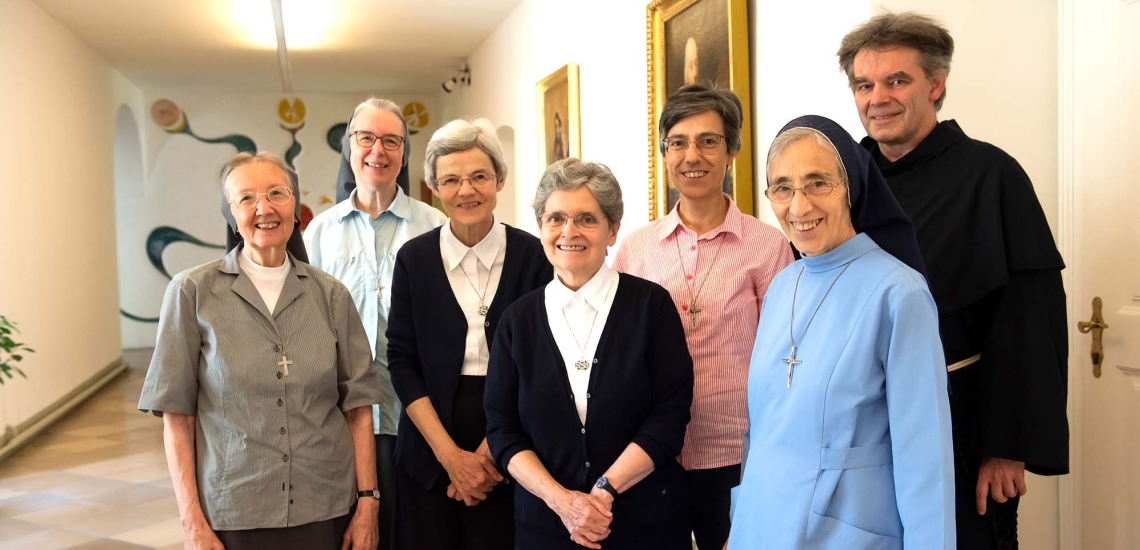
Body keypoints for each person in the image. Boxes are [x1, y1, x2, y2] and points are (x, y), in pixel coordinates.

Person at [838, 12, 1069, 548]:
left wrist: (1007, 445)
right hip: (862, 426)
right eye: (864, 84)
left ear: (936, 84)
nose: (879, 98)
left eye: (898, 80)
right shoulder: (839, 181)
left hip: (960, 418)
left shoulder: (992, 175)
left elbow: (1030, 321)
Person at [728, 116, 954, 549]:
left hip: (844, 531)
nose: (798, 207)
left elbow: (925, 459)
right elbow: (762, 431)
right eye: (782, 188)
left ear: (850, 186)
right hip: (760, 528)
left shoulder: (898, 293)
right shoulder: (781, 286)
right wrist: (740, 522)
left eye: (817, 183)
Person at [138, 152, 381, 550]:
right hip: (235, 507)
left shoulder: (332, 295)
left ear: (296, 206)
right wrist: (192, 523)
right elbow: (176, 418)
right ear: (231, 214)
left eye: (276, 193)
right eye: (246, 198)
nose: (263, 208)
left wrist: (368, 506)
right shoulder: (191, 293)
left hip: (325, 504)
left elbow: (358, 408)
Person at [613, 84, 792, 550]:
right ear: (664, 153)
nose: (692, 155)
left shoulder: (767, 245)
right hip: (652, 452)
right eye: (678, 142)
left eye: (708, 141)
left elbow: (786, 353)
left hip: (737, 453)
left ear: (731, 151)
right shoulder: (636, 247)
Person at [485, 158, 694, 550]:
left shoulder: (652, 307)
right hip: (545, 530)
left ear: (613, 229)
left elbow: (670, 415)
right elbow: (502, 429)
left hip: (645, 525)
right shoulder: (515, 321)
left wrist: (602, 492)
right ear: (541, 228)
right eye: (556, 218)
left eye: (586, 218)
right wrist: (561, 502)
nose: (569, 232)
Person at [385, 118, 553, 549]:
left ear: (500, 179)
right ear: (434, 188)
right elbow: (401, 361)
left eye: (479, 176)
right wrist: (450, 458)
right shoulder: (413, 260)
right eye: (451, 180)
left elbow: (541, 362)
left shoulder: (534, 255)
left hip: (512, 433)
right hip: (429, 437)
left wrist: (487, 455)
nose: (466, 191)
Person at [304, 97, 448, 549]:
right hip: (344, 417)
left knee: (414, 533)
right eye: (366, 138)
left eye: (391, 141)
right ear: (349, 147)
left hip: (419, 415)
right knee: (356, 533)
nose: (377, 151)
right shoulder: (319, 234)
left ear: (404, 153)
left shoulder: (435, 226)